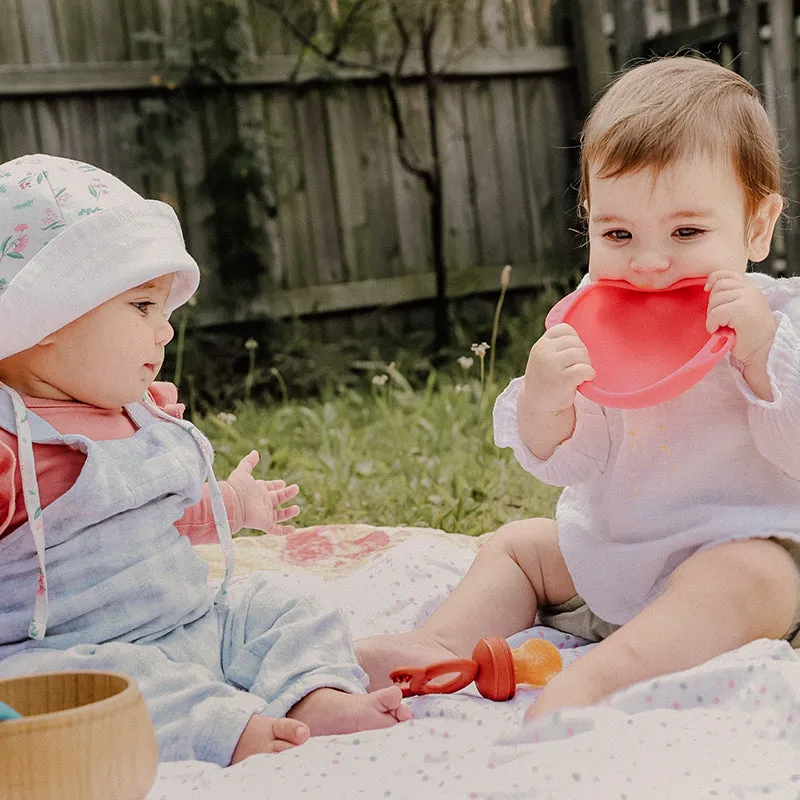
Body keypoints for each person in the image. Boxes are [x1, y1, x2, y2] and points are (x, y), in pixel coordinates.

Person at [357, 56, 800, 720]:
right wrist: (547, 402)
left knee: (757, 575)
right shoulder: (596, 331)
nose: (649, 263)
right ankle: (438, 644)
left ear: (758, 226)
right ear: (589, 222)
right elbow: (569, 460)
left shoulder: (783, 322)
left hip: (739, 552)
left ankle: (598, 683)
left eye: (687, 232)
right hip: (616, 559)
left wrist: (764, 357)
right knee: (520, 546)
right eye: (618, 234)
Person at [0, 153, 410, 767]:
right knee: (96, 695)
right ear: (46, 314)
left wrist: (231, 503)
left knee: (286, 603)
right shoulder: (12, 448)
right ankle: (229, 732)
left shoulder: (141, 415)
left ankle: (313, 696)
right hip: (79, 651)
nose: (165, 332)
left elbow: (156, 505)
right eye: (142, 307)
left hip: (194, 621)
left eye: (166, 313)